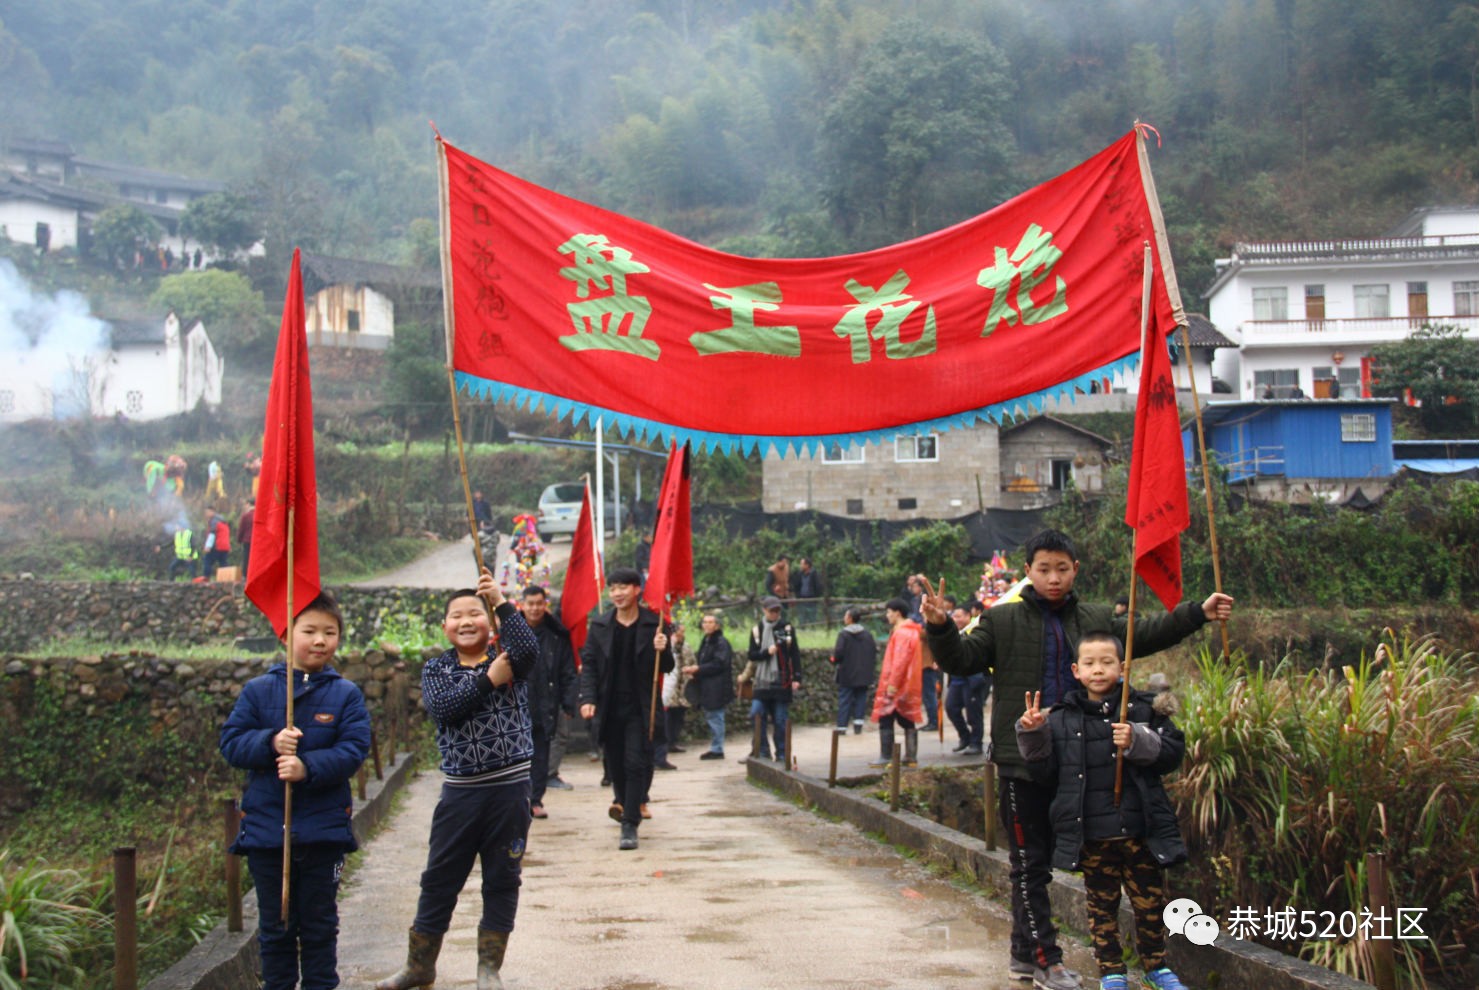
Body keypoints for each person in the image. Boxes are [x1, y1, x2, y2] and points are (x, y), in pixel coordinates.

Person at [920, 529, 1233, 990]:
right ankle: (1047, 960)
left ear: (1075, 571)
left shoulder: (1094, 618)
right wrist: (942, 626)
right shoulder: (1001, 620)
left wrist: (1197, 614)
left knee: (1069, 862)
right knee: (1030, 864)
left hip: (1079, 768)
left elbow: (1142, 634)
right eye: (1043, 569)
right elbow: (962, 660)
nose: (1052, 578)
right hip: (1021, 762)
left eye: (1061, 569)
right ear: (1027, 571)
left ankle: (1024, 958)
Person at [374, 570, 539, 990]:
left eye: (476, 614)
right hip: (460, 796)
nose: (466, 622)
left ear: (490, 623)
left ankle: (489, 969)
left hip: (509, 792)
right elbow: (445, 709)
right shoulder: (437, 669)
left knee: (502, 878)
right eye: (457, 616)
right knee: (439, 878)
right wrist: (487, 680)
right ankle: (419, 966)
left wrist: (501, 599)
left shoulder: (509, 659)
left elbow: (528, 647)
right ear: (444, 627)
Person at [1016, 632, 1190, 990]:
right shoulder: (1062, 719)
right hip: (1093, 836)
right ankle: (1111, 970)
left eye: (1107, 662)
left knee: (1150, 906)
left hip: (1141, 831)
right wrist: (1032, 735)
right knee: (1101, 910)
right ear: (1077, 671)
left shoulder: (1145, 710)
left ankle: (1156, 968)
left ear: (1122, 668)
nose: (1099, 670)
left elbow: (1172, 754)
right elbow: (1044, 774)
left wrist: (1138, 740)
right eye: (1091, 664)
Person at [219, 593, 370, 990]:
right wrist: (270, 743)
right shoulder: (258, 691)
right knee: (276, 928)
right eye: (310, 631)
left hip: (324, 834)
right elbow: (231, 744)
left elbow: (354, 750)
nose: (320, 640)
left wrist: (308, 767)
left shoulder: (345, 695)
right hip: (269, 835)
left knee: (320, 926)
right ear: (287, 635)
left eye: (330, 632)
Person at [579, 567, 674, 851]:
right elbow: (590, 664)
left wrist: (664, 648)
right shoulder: (600, 625)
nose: (617, 593)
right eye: (613, 588)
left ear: (636, 590)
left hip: (640, 707)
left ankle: (630, 823)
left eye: (623, 587)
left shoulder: (654, 624)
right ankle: (623, 802)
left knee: (635, 762)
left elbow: (666, 667)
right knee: (616, 765)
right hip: (609, 706)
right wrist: (587, 698)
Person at [520, 585, 577, 820]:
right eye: (530, 604)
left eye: (538, 604)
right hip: (517, 704)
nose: (534, 608)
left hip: (545, 705)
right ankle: (516, 801)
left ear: (545, 605)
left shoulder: (556, 636)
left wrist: (568, 703)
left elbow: (567, 671)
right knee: (516, 757)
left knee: (540, 756)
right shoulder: (510, 632)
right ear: (522, 605)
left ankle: (535, 800)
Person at [869, 598, 924, 768]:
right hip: (907, 683)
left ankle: (887, 756)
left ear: (897, 613)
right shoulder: (911, 631)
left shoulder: (902, 632)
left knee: (886, 717)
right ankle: (911, 756)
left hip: (897, 683)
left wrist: (892, 685)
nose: (887, 616)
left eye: (889, 612)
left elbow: (900, 661)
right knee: (906, 718)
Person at [747, 595, 801, 765]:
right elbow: (752, 655)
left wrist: (797, 677)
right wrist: (766, 653)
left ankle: (782, 753)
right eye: (772, 611)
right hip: (762, 681)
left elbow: (794, 654)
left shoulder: (786, 628)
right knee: (756, 713)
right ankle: (762, 751)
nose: (775, 614)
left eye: (777, 610)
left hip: (781, 680)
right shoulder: (757, 630)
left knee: (780, 719)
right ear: (765, 611)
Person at [683, 613, 735, 759]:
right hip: (707, 686)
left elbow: (719, 664)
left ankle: (717, 748)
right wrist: (697, 672)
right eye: (705, 622)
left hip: (717, 687)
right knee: (712, 716)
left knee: (716, 716)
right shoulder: (706, 641)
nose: (707, 625)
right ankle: (716, 746)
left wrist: (698, 669)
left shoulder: (721, 642)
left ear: (717, 625)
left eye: (710, 622)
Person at [944, 605, 987, 756]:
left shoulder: (976, 630)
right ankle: (964, 737)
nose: (956, 619)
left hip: (973, 677)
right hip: (956, 678)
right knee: (951, 708)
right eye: (954, 616)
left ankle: (976, 743)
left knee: (973, 712)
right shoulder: (952, 632)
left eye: (959, 616)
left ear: (968, 616)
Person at [654, 622, 694, 770]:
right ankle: (657, 756)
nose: (681, 636)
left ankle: (661, 756)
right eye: (678, 633)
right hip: (662, 694)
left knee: (668, 724)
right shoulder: (665, 646)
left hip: (673, 693)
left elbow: (673, 672)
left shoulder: (680, 648)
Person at [830, 607, 877, 734]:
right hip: (864, 674)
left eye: (846, 616)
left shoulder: (844, 635)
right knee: (861, 699)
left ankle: (842, 727)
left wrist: (833, 660)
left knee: (845, 699)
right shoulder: (867, 635)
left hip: (847, 674)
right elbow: (873, 652)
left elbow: (838, 654)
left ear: (850, 618)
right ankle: (858, 725)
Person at [790, 556, 823, 623]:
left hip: (812, 599)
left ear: (807, 565)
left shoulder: (815, 574)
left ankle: (812, 629)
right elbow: (796, 586)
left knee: (812, 616)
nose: (800, 566)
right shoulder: (799, 574)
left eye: (802, 564)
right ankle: (802, 629)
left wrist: (816, 597)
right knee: (802, 616)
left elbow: (818, 587)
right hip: (801, 598)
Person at [202, 507, 231, 579]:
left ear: (212, 512)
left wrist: (208, 546)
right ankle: (226, 579)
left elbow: (212, 534)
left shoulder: (214, 521)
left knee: (207, 560)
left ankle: (206, 578)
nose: (206, 514)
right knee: (223, 563)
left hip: (217, 546)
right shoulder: (223, 521)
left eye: (207, 512)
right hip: (225, 546)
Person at [238, 499, 256, 579]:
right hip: (257, 540)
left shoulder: (246, 516)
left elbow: (241, 529)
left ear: (248, 504)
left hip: (247, 540)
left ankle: (245, 576)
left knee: (246, 558)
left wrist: (239, 539)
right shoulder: (259, 514)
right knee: (255, 558)